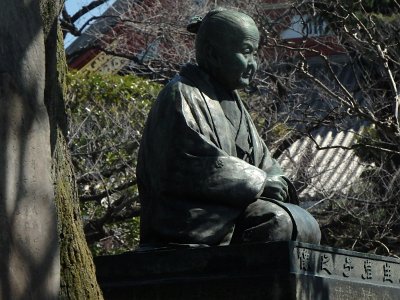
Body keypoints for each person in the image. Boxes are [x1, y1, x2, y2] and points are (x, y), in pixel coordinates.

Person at [136, 8, 320, 248]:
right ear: (213, 53)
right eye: (246, 52)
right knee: (278, 220)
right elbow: (189, 163)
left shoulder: (234, 104)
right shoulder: (181, 94)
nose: (253, 64)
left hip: (230, 214)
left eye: (255, 54)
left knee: (303, 223)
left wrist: (277, 180)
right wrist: (261, 183)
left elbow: (264, 162)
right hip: (189, 223)